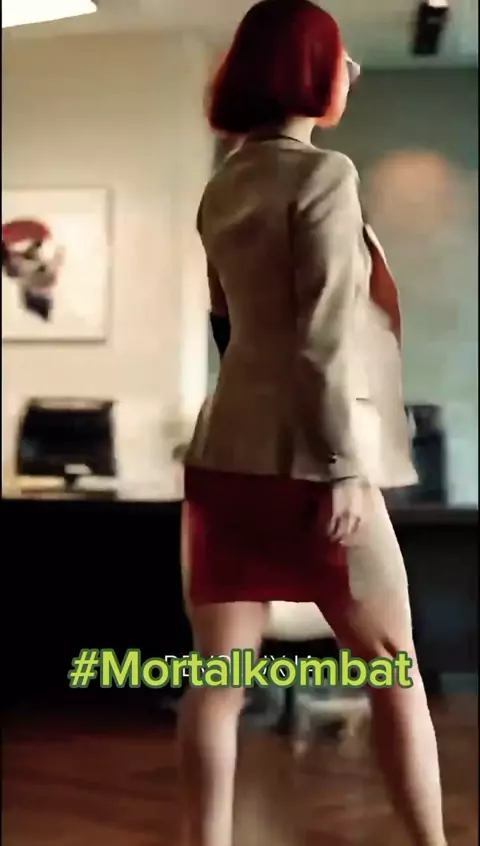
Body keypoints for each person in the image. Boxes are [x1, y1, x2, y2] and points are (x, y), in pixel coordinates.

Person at [178, 2, 447, 845]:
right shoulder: (324, 175)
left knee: (216, 682)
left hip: (223, 456)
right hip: (312, 462)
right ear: (313, 72)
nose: (352, 73)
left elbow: (230, 327)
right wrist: (344, 468)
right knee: (395, 671)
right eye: (343, 59)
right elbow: (324, 334)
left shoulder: (223, 183)